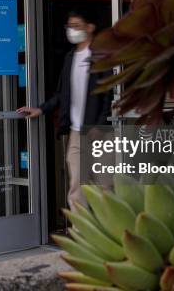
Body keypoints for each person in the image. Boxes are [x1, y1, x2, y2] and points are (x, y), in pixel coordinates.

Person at [18, 11, 112, 211]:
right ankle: (81, 235)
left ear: (90, 27)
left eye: (77, 25)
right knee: (76, 185)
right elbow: (62, 94)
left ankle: (109, 234)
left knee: (104, 185)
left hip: (99, 131)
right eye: (69, 26)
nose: (72, 30)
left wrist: (100, 125)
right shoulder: (70, 58)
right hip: (76, 131)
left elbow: (108, 94)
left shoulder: (101, 55)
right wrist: (41, 109)